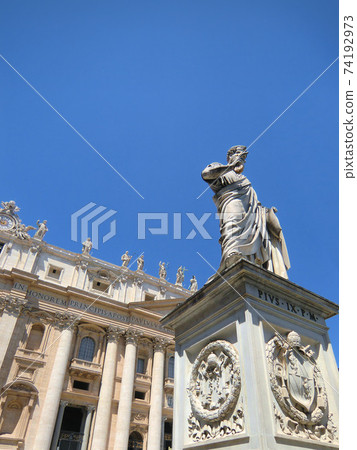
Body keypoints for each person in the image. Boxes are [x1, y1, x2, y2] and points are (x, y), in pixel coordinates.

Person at [201, 145, 290, 278]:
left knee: (254, 235)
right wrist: (231, 166)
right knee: (232, 226)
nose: (242, 160)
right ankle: (232, 255)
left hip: (252, 213)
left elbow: (255, 205)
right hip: (231, 202)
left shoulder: (244, 179)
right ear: (230, 156)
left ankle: (252, 262)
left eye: (243, 158)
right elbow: (206, 174)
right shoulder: (221, 169)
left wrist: (266, 214)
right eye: (239, 155)